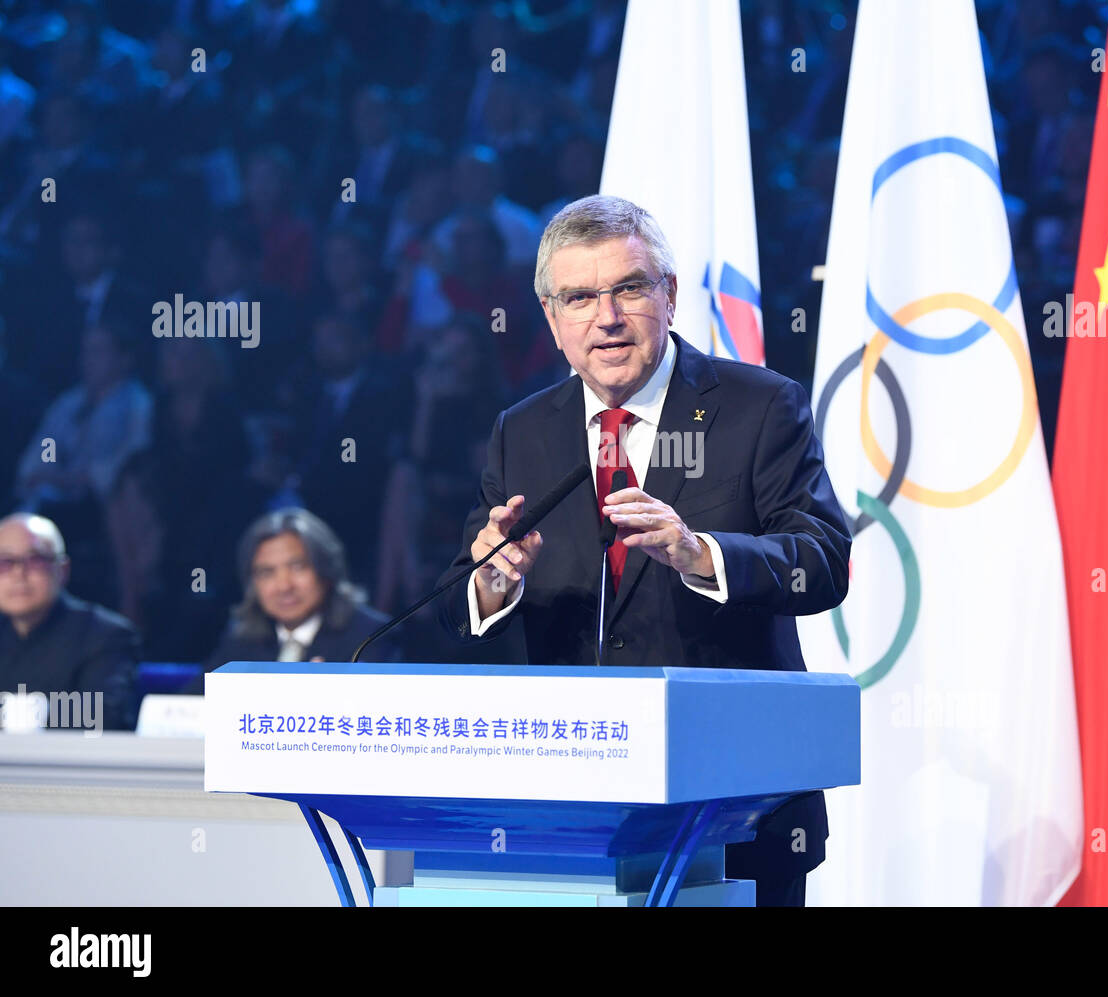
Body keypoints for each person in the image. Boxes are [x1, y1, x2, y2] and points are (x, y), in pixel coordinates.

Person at [434, 195, 852, 906]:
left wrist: (700, 553)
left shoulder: (759, 407)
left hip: (737, 807)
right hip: (576, 814)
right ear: (551, 318)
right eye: (580, 296)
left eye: (629, 287)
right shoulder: (524, 431)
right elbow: (456, 602)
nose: (607, 316)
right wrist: (493, 581)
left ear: (670, 295)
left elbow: (823, 559)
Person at [192, 508, 400, 691]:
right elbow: (188, 706)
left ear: (326, 570)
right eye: (267, 572)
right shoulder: (241, 641)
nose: (284, 586)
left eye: (298, 567)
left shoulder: (371, 636)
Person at [0, 513, 139, 731]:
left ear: (62, 570)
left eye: (35, 560)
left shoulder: (106, 635)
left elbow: (103, 716)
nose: (19, 574)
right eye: (5, 563)